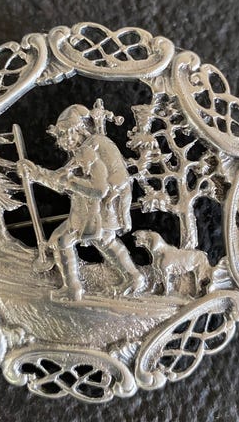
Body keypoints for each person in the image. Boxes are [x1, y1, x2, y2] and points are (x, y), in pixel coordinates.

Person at [18, 101, 145, 301]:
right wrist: (35, 173)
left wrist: (69, 182)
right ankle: (82, 286)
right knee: (74, 240)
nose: (63, 141)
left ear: (77, 129)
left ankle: (81, 287)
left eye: (65, 134)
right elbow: (61, 179)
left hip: (103, 207)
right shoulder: (83, 150)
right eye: (60, 135)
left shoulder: (94, 147)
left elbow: (100, 188)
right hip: (89, 208)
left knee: (87, 240)